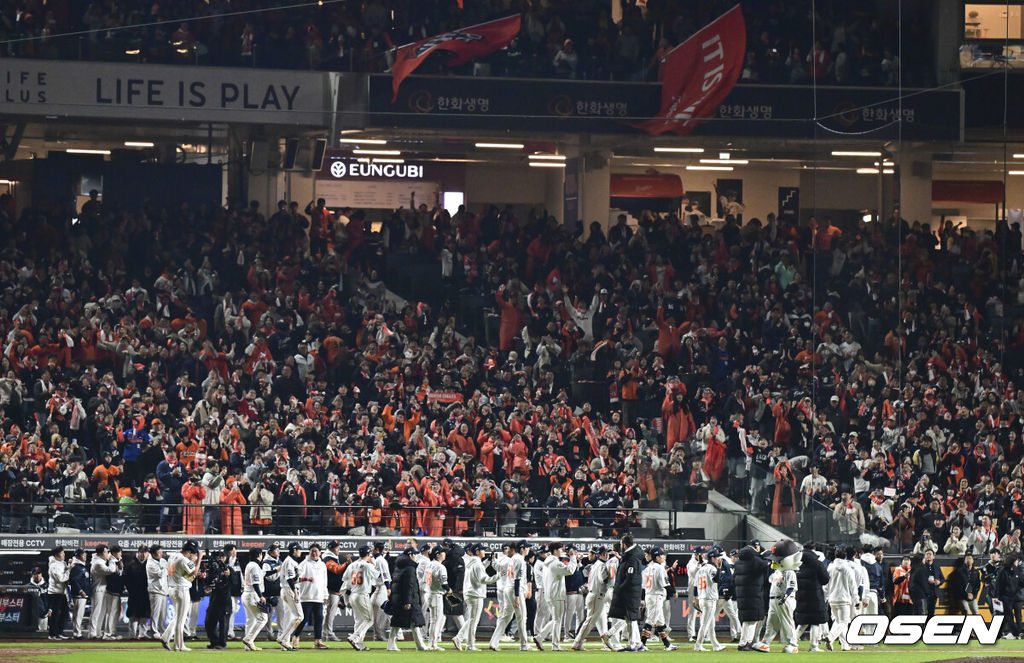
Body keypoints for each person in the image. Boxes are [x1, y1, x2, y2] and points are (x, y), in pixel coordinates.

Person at [454, 543, 498, 651]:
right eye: (482, 550)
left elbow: (481, 568)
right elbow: (484, 579)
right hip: (475, 594)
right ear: (477, 551)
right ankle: (466, 642)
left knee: (471, 619)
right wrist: (499, 575)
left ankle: (463, 640)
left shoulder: (471, 562)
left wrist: (489, 561)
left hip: (470, 593)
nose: (484, 551)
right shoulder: (477, 564)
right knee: (473, 620)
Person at [535, 542, 578, 650]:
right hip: (556, 594)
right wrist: (573, 557)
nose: (562, 551)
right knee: (557, 619)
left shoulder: (547, 561)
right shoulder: (554, 562)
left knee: (555, 619)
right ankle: (555, 645)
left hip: (550, 594)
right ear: (555, 551)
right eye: (560, 549)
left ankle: (540, 637)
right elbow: (570, 570)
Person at [161, 540, 202, 652]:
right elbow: (194, 572)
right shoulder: (183, 559)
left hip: (172, 588)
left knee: (178, 617)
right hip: (181, 589)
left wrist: (192, 560)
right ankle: (179, 645)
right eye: (192, 553)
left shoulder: (173, 556)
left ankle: (166, 637)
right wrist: (199, 559)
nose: (192, 555)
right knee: (181, 619)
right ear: (188, 551)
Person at [488, 541, 529, 651]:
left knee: (506, 617)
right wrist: (517, 596)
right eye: (527, 548)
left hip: (507, 588)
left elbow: (499, 568)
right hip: (514, 590)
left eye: (509, 549)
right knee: (521, 617)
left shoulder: (512, 559)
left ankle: (494, 642)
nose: (528, 549)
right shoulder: (519, 559)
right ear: (522, 548)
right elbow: (517, 579)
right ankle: (524, 645)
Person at [608, 533, 644, 652]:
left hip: (626, 592)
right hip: (629, 592)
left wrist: (619, 589)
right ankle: (634, 643)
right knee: (629, 619)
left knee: (627, 618)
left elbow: (630, 578)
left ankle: (612, 636)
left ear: (624, 544)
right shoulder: (630, 557)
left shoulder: (631, 558)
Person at [734, 541, 771, 652]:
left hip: (742, 595)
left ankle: (742, 642)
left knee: (746, 621)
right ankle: (748, 643)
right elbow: (766, 563)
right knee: (753, 621)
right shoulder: (755, 560)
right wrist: (765, 554)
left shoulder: (739, 562)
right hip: (753, 594)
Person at [640, 548, 677, 651]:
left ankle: (667, 645)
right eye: (661, 555)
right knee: (650, 621)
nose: (663, 556)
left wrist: (643, 599)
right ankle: (642, 644)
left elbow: (643, 586)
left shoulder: (647, 568)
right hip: (656, 596)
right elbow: (665, 584)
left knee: (660, 622)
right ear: (657, 557)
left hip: (649, 595)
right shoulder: (660, 568)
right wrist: (673, 592)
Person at [794, 543, 829, 652]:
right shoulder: (817, 563)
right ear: (813, 549)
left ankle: (792, 643)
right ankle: (814, 646)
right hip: (815, 595)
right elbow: (825, 579)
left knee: (803, 622)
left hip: (801, 594)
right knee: (815, 621)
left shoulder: (797, 562)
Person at [825, 546, 859, 651]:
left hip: (832, 599)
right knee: (844, 623)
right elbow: (853, 586)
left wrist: (826, 597)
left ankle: (844, 645)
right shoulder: (848, 569)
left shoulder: (830, 568)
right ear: (845, 556)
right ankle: (830, 637)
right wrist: (856, 600)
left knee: (837, 622)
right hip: (844, 599)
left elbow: (826, 585)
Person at [762, 551, 798, 652]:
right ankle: (766, 643)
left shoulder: (790, 572)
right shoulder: (777, 572)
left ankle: (793, 645)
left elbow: (791, 587)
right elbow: (769, 579)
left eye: (776, 560)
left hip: (785, 599)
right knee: (771, 623)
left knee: (787, 622)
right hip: (773, 599)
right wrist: (770, 567)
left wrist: (785, 597)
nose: (774, 562)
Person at [345, 545, 379, 650]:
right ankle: (354, 638)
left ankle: (359, 644)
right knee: (369, 619)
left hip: (353, 594)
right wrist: (374, 564)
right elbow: (377, 575)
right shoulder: (368, 565)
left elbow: (345, 579)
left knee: (359, 620)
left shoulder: (352, 565)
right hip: (362, 594)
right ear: (368, 555)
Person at [297, 543, 329, 649]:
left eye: (316, 551)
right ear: (309, 552)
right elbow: (296, 579)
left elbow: (324, 581)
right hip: (306, 596)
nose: (314, 553)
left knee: (319, 618)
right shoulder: (304, 564)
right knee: (304, 618)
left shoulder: (322, 565)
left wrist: (325, 594)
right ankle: (295, 636)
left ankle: (318, 640)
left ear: (320, 553)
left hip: (318, 596)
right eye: (312, 551)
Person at [693, 548, 726, 652]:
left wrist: (696, 598)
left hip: (703, 598)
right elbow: (716, 579)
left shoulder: (701, 568)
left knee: (711, 624)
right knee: (705, 624)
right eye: (717, 557)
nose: (718, 559)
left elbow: (695, 586)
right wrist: (719, 568)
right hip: (709, 599)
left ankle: (716, 645)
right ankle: (698, 645)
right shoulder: (712, 568)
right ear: (712, 558)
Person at [204, 549, 233, 650]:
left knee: (223, 623)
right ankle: (214, 641)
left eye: (221, 557)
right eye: (217, 558)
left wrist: (228, 576)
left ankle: (222, 643)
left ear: (224, 558)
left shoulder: (229, 569)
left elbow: (234, 582)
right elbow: (208, 581)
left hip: (225, 601)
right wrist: (207, 586)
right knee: (209, 622)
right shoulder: (213, 569)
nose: (219, 560)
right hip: (214, 600)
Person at [242, 548, 269, 651]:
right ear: (259, 555)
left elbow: (262, 576)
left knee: (251, 620)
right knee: (263, 618)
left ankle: (248, 646)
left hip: (246, 594)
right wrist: (261, 596)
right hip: (253, 594)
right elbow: (256, 583)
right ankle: (248, 639)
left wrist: (276, 570)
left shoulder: (250, 565)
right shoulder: (254, 566)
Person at [423, 546, 450, 651]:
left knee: (434, 620)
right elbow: (444, 584)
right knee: (435, 620)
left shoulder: (429, 564)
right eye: (443, 552)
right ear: (438, 554)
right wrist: (449, 590)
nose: (445, 554)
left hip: (429, 593)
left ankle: (432, 643)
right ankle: (432, 645)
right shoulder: (440, 566)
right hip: (435, 594)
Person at [278, 543, 304, 651]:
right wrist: (295, 593)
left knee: (289, 617)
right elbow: (289, 579)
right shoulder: (289, 561)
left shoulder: (292, 561)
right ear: (294, 550)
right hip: (289, 589)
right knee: (299, 616)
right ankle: (283, 638)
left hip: (287, 589)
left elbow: (294, 578)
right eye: (299, 550)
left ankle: (286, 643)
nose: (300, 552)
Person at [88, 544, 117, 639]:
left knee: (102, 612)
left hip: (103, 589)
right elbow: (110, 570)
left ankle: (97, 632)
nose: (107, 553)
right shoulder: (97, 563)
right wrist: (112, 561)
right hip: (98, 589)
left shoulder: (101, 560)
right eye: (105, 552)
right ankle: (92, 633)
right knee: (96, 612)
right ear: (100, 553)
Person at [124, 546, 151, 639]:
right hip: (134, 593)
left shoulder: (149, 563)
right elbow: (127, 580)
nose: (143, 554)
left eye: (145, 552)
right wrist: (131, 590)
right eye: (142, 552)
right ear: (138, 552)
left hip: (145, 593)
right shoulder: (131, 564)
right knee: (133, 614)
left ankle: (143, 634)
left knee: (145, 614)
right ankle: (132, 634)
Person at [322, 541, 347, 642]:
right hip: (330, 590)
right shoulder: (327, 558)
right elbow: (336, 570)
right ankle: (328, 633)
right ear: (331, 548)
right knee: (330, 613)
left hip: (334, 590)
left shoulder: (333, 557)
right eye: (337, 548)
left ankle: (326, 633)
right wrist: (347, 564)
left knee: (330, 613)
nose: (338, 549)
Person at [46, 547, 70, 640]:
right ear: (57, 555)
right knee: (55, 614)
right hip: (54, 593)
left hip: (62, 592)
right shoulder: (54, 565)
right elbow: (61, 579)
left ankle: (59, 632)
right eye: (62, 553)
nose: (64, 554)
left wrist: (69, 566)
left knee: (64, 612)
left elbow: (64, 570)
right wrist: (69, 570)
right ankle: (52, 634)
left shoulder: (62, 562)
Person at [371, 541, 393, 643]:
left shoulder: (380, 560)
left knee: (386, 611)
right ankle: (377, 635)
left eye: (373, 547)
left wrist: (388, 588)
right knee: (374, 614)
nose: (371, 549)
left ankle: (397, 632)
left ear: (376, 549)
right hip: (377, 589)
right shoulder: (377, 559)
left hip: (383, 588)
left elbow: (385, 575)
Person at [102, 546, 125, 640]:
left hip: (117, 590)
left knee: (115, 612)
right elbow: (110, 576)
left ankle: (112, 631)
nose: (121, 554)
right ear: (114, 553)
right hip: (111, 590)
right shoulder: (110, 561)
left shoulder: (117, 561)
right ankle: (107, 633)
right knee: (111, 612)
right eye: (119, 552)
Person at [997, 555, 1022, 639]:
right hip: (1004, 597)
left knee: (1004, 617)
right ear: (1012, 561)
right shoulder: (1003, 571)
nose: (1017, 562)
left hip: (1013, 597)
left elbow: (1020, 582)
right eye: (1016, 560)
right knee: (1009, 615)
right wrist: (997, 597)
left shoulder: (1016, 570)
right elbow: (999, 585)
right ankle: (1016, 633)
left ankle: (998, 633)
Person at [146, 545, 168, 639]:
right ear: (154, 554)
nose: (161, 554)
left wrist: (165, 569)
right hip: (155, 591)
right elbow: (160, 574)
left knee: (163, 613)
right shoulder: (150, 563)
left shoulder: (163, 560)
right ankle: (154, 631)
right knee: (155, 613)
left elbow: (167, 571)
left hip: (163, 591)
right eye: (159, 552)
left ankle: (163, 631)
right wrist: (166, 569)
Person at [69, 548, 91, 640]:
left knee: (78, 615)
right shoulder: (77, 567)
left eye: (85, 554)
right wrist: (80, 591)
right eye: (83, 554)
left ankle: (76, 632)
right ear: (78, 556)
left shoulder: (81, 566)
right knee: (78, 615)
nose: (85, 555)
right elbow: (73, 580)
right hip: (79, 595)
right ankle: (77, 633)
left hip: (81, 595)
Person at [684, 548, 703, 642]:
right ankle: (691, 635)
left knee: (704, 612)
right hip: (692, 589)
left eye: (700, 554)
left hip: (703, 589)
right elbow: (693, 573)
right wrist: (699, 564)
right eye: (697, 554)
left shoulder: (705, 561)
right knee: (692, 612)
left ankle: (704, 634)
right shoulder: (690, 563)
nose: (699, 556)